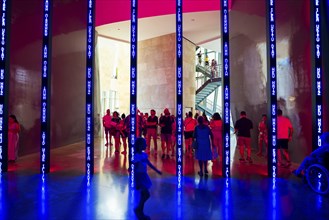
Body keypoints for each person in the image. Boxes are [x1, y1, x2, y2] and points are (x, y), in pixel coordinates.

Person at [133, 137, 162, 219]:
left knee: (144, 195)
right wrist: (137, 181)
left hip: (144, 176)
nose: (146, 145)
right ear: (139, 146)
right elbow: (135, 169)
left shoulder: (143, 155)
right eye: (144, 144)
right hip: (140, 177)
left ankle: (139, 210)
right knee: (146, 194)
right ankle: (139, 210)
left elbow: (150, 164)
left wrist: (157, 171)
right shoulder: (137, 157)